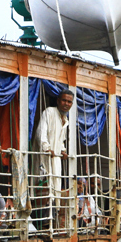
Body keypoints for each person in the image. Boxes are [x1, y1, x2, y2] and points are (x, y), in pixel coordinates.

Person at [32, 89, 73, 233]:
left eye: (69, 102)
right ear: (58, 101)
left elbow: (61, 139)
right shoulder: (49, 112)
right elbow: (40, 133)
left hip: (55, 158)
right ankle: (41, 223)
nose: (66, 104)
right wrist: (46, 147)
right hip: (45, 156)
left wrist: (62, 150)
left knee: (55, 188)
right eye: (64, 100)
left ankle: (50, 222)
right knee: (43, 186)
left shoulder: (65, 119)